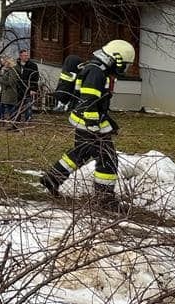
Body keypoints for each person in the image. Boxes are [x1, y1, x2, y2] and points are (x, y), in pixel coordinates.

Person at [39, 39, 136, 211]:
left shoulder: (98, 69)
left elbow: (95, 103)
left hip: (85, 121)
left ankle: (52, 179)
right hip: (88, 123)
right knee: (108, 159)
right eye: (125, 65)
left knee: (80, 153)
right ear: (117, 59)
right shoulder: (96, 72)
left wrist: (108, 123)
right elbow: (88, 101)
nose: (125, 69)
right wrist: (94, 126)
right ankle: (105, 199)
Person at [14, 49, 40, 122]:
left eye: (27, 55)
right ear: (20, 56)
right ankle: (16, 120)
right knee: (17, 105)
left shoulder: (32, 66)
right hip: (18, 89)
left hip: (28, 88)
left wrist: (33, 89)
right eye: (25, 55)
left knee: (28, 105)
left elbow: (35, 78)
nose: (26, 57)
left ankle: (28, 119)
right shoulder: (16, 65)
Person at [0, 57, 20, 123]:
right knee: (4, 107)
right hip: (5, 93)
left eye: (5, 62)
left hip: (10, 93)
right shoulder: (7, 70)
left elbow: (11, 83)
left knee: (11, 109)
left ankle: (13, 122)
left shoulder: (13, 71)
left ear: (9, 63)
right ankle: (5, 120)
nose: (4, 63)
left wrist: (0, 81)